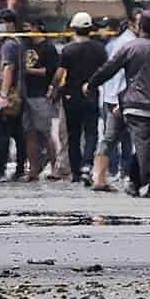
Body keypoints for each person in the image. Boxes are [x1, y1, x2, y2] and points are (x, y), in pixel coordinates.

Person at [87, 10, 150, 198]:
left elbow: (109, 69)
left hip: (132, 104)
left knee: (142, 144)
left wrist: (91, 84)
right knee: (143, 143)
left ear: (139, 27)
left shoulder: (130, 47)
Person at [56, 12, 108, 183]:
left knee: (73, 135)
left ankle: (76, 172)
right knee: (92, 132)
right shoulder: (99, 49)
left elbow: (60, 74)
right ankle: (87, 165)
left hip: (71, 96)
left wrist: (53, 88)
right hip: (92, 94)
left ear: (74, 28)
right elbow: (105, 70)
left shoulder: (68, 50)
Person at [90, 14, 136, 191]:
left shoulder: (119, 44)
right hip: (113, 97)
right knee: (113, 137)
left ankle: (119, 172)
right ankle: (109, 173)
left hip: (116, 97)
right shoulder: (117, 45)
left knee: (119, 138)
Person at [0, 9, 25, 181]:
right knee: (17, 132)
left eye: (1, 21)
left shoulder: (9, 45)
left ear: (10, 24)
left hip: (8, 96)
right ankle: (19, 168)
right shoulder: (18, 42)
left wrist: (2, 95)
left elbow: (8, 68)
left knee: (1, 131)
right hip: (17, 96)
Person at [21, 20, 60, 181]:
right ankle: (33, 169)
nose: (26, 31)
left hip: (41, 95)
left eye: (28, 27)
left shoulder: (48, 48)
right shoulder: (25, 45)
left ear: (37, 28)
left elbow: (50, 71)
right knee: (29, 133)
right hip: (26, 94)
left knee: (45, 132)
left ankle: (54, 168)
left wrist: (27, 70)